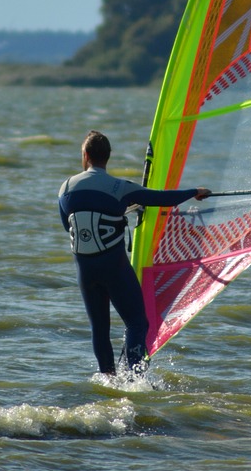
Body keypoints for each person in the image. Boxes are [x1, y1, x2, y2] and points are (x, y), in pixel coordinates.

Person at [58, 129, 211, 375]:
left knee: (100, 329)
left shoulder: (64, 188)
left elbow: (68, 226)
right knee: (137, 324)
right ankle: (134, 378)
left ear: (85, 155)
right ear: (108, 156)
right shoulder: (121, 188)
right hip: (114, 269)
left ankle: (108, 379)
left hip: (85, 272)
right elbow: (163, 198)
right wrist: (194, 191)